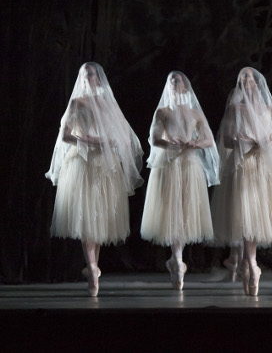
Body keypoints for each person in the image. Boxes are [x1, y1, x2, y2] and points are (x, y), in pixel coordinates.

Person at [46, 62, 143, 296]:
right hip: (82, 164)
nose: (88, 77)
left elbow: (125, 137)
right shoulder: (77, 103)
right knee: (87, 218)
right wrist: (88, 140)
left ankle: (93, 269)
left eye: (92, 74)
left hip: (105, 167)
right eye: (85, 74)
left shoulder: (109, 105)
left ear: (99, 79)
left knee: (99, 220)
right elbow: (65, 136)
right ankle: (91, 267)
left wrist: (109, 142)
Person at [211, 67, 272, 296]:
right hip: (244, 165)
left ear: (257, 83)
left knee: (257, 215)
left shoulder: (267, 109)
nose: (246, 79)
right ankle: (251, 263)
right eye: (242, 76)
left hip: (262, 167)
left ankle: (251, 263)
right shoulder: (234, 109)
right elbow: (227, 140)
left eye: (249, 76)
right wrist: (245, 140)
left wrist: (267, 141)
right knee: (245, 213)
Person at [140, 71, 219, 290]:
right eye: (172, 82)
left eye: (179, 82)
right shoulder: (162, 112)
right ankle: (177, 258)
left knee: (185, 210)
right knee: (173, 210)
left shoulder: (195, 113)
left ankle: (178, 258)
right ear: (168, 87)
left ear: (185, 88)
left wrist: (195, 143)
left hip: (190, 165)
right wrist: (169, 143)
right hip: (169, 165)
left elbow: (209, 139)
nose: (175, 85)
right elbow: (154, 139)